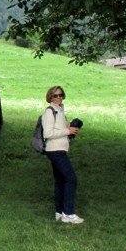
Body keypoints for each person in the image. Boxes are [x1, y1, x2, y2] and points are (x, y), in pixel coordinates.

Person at [41, 86, 83, 224]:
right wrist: (67, 131)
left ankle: (59, 212)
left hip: (60, 149)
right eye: (55, 95)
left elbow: (60, 129)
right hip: (55, 150)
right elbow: (48, 133)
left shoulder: (60, 110)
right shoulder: (50, 112)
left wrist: (70, 129)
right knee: (71, 179)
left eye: (60, 95)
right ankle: (68, 213)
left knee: (60, 180)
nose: (58, 97)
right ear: (50, 97)